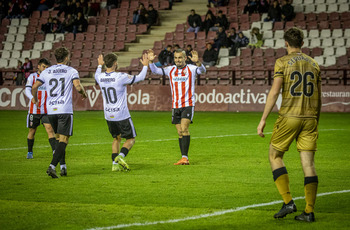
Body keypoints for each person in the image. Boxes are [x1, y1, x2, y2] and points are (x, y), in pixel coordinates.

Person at [257, 27, 321, 222]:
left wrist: (263, 119)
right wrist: (316, 120)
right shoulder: (315, 64)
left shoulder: (282, 62)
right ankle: (309, 212)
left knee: (274, 155)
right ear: (302, 43)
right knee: (308, 164)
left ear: (286, 43)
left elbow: (275, 92)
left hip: (289, 116)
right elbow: (320, 98)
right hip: (310, 118)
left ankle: (288, 201)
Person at [31, 47, 87, 178]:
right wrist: (83, 93)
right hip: (64, 110)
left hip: (51, 111)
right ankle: (52, 166)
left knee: (58, 139)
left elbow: (34, 87)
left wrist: (35, 99)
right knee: (64, 139)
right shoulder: (71, 71)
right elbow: (78, 86)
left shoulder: (47, 71)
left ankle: (63, 167)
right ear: (66, 58)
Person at [148, 48, 206, 165]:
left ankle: (185, 158)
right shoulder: (171, 69)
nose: (177, 60)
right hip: (175, 105)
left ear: (185, 58)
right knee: (180, 132)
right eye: (175, 58)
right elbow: (155, 71)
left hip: (188, 104)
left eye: (180, 57)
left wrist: (198, 62)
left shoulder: (191, 68)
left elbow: (202, 71)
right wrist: (150, 61)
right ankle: (183, 157)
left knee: (184, 129)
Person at [94, 53, 149, 171]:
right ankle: (120, 157)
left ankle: (114, 166)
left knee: (116, 138)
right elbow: (140, 78)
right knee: (131, 139)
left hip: (108, 115)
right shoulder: (120, 76)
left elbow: (96, 74)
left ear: (105, 64)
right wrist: (145, 65)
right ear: (115, 63)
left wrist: (99, 65)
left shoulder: (100, 77)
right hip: (121, 114)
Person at [24, 58, 56, 159]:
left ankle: (55, 151)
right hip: (34, 110)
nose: (45, 69)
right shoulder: (33, 77)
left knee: (50, 129)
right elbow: (27, 89)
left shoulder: (49, 77)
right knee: (32, 131)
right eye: (43, 67)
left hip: (46, 110)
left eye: (47, 67)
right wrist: (32, 98)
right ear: (38, 66)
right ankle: (30, 152)